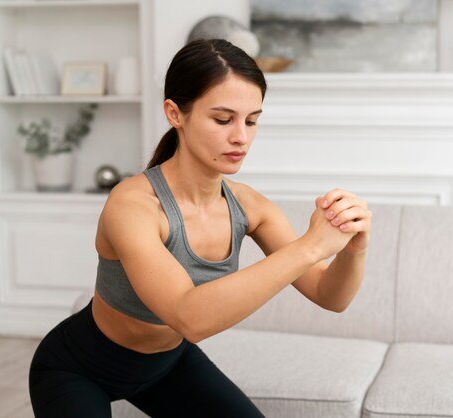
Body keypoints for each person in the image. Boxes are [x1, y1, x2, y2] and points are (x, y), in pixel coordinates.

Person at [29, 39, 372, 418]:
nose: (241, 136)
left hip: (167, 365)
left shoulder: (250, 206)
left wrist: (352, 250)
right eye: (223, 119)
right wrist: (309, 246)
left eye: (252, 120)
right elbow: (190, 316)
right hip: (77, 369)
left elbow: (330, 296)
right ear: (175, 114)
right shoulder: (134, 205)